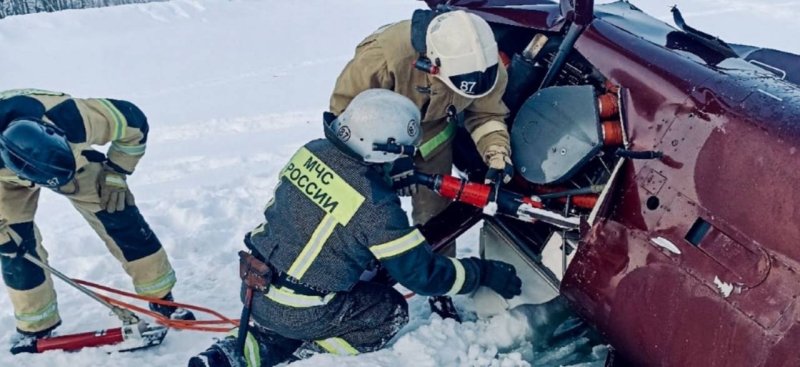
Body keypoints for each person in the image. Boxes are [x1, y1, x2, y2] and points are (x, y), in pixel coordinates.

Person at [188, 89, 522, 367]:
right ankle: (309, 356)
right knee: (387, 310)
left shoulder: (311, 151)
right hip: (302, 309)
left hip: (256, 287)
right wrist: (481, 273)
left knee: (286, 315)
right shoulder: (375, 209)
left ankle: (230, 353)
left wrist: (379, 177)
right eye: (402, 154)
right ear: (383, 150)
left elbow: (335, 200)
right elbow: (423, 275)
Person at [329, 9, 514, 319]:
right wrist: (393, 159)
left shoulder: (486, 67)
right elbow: (344, 112)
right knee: (364, 212)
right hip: (371, 138)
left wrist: (497, 155)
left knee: (436, 216)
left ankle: (440, 291)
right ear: (432, 64)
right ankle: (350, 279)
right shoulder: (384, 56)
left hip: (433, 137)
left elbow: (486, 114)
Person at [0, 88, 194, 354]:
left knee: (118, 213)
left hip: (72, 162)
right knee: (13, 246)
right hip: (4, 181)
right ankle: (36, 324)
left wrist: (116, 172)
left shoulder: (75, 118)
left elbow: (135, 122)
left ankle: (162, 298)